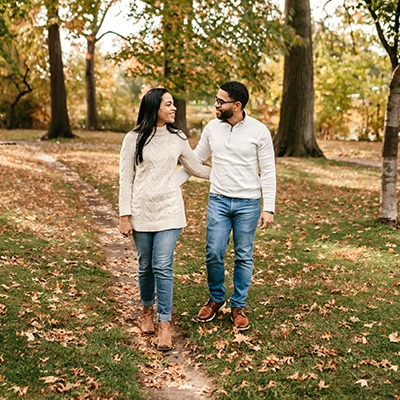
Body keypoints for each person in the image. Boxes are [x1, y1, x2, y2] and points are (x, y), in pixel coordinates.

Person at [176, 81, 276, 331]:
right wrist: (172, 184)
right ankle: (216, 298)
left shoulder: (259, 131)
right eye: (216, 100)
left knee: (244, 255)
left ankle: (238, 305)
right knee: (213, 252)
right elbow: (195, 160)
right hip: (218, 200)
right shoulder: (212, 128)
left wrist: (269, 207)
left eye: (221, 101)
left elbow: (269, 170)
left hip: (248, 203)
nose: (216, 105)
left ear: (237, 105)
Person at [118, 88, 210, 351]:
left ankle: (165, 325)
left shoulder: (177, 138)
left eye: (173, 104)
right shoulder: (133, 139)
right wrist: (125, 215)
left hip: (170, 211)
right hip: (141, 211)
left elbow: (195, 167)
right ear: (153, 107)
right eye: (168, 104)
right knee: (145, 263)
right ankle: (147, 311)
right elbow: (126, 178)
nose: (174, 108)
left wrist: (228, 174)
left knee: (162, 264)